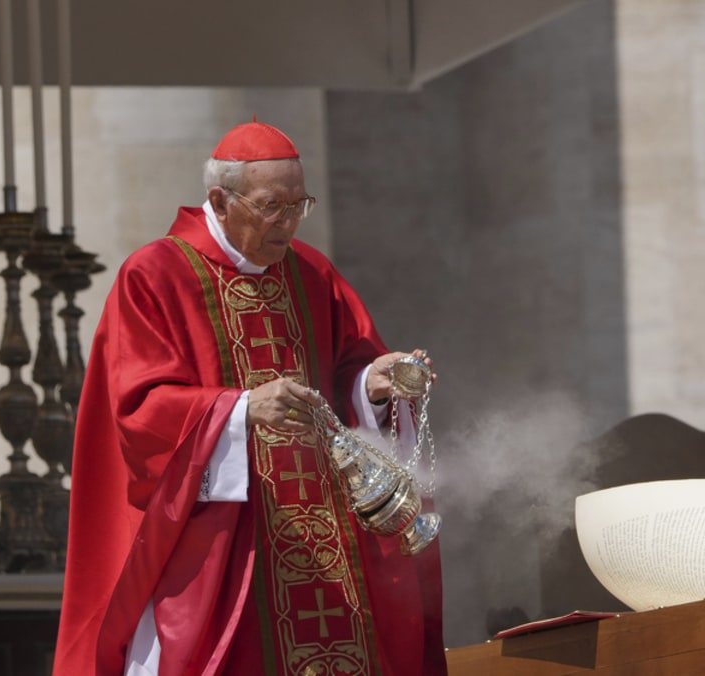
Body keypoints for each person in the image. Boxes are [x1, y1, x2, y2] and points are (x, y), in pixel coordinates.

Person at [53, 120, 447, 675]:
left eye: (298, 204)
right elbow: (140, 412)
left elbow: (344, 379)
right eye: (271, 206)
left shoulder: (312, 273)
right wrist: (239, 410)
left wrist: (372, 387)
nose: (287, 222)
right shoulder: (155, 275)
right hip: (229, 551)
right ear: (220, 199)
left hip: (329, 549)